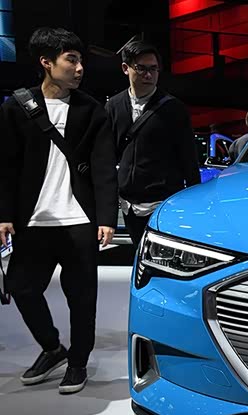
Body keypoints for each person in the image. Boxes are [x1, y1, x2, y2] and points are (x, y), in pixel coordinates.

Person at [0, 27, 117, 394]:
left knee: (82, 298)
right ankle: (53, 348)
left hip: (79, 220)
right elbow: (5, 165)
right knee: (21, 287)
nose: (80, 68)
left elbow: (103, 167)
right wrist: (4, 213)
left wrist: (106, 218)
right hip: (33, 219)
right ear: (46, 62)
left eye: (81, 60)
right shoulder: (16, 107)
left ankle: (78, 362)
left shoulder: (91, 110)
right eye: (72, 60)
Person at [106, 40, 199, 249]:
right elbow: (107, 155)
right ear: (126, 68)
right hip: (128, 203)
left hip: (162, 202)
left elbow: (188, 158)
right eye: (141, 68)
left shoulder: (173, 108)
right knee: (138, 253)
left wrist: (192, 202)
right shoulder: (113, 106)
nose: (148, 75)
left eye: (153, 69)